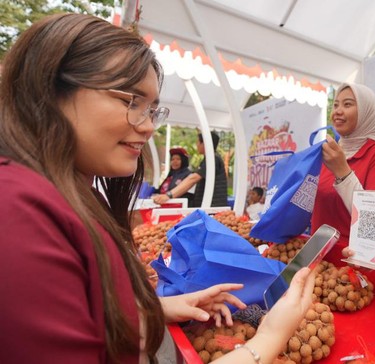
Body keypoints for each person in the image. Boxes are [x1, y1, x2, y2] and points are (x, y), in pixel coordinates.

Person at [0, 13, 315, 364]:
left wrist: (158, 309)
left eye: (152, 109)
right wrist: (269, 339)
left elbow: (85, 313)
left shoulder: (66, 193)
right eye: (130, 102)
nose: (149, 126)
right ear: (50, 90)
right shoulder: (18, 216)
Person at [311, 82, 375, 243]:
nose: (337, 111)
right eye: (336, 105)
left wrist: (342, 172)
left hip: (352, 261)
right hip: (317, 255)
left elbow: (373, 224)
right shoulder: (331, 152)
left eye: (347, 104)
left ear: (367, 112)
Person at [154, 130, 228, 207]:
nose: (197, 145)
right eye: (172, 159)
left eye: (198, 142)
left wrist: (168, 195)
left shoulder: (213, 159)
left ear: (204, 143)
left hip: (212, 207)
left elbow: (193, 179)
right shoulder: (210, 158)